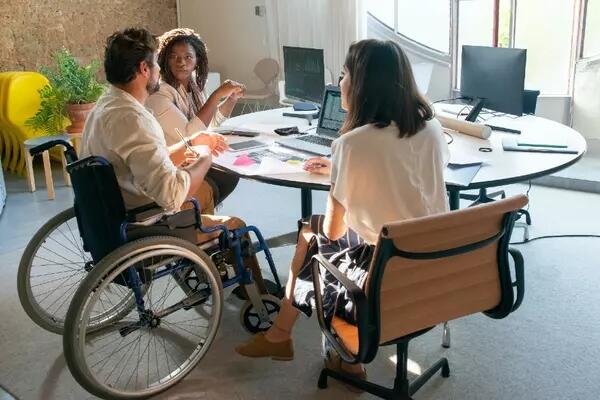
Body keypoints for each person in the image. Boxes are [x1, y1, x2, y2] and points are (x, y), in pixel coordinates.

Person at [235, 39, 450, 381]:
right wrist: (343, 168)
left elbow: (334, 231)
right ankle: (301, 343)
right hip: (435, 260)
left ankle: (317, 348)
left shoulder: (352, 144)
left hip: (385, 269)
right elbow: (407, 175)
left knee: (311, 234)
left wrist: (343, 170)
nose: (339, 84)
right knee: (324, 233)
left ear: (363, 84)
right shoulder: (432, 128)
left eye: (345, 74)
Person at [81, 27, 267, 293]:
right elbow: (171, 195)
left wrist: (191, 143)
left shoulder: (106, 105)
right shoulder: (135, 120)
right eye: (157, 62)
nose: (160, 69)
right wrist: (202, 157)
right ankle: (260, 300)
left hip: (111, 213)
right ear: (145, 69)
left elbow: (145, 159)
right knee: (236, 225)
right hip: (145, 223)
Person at [146, 28, 245, 213]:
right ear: (164, 59)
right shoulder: (160, 94)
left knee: (230, 173)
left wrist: (230, 99)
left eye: (188, 57)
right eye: (173, 56)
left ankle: (201, 215)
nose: (181, 62)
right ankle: (196, 217)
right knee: (224, 175)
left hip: (190, 158)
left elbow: (209, 123)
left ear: (197, 60)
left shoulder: (193, 87)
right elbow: (191, 135)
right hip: (174, 166)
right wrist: (216, 95)